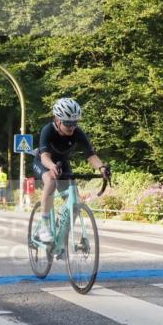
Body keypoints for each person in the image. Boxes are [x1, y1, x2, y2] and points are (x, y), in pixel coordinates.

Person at [33, 97, 109, 242]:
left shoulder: (77, 132)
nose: (72, 127)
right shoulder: (48, 130)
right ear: (58, 120)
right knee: (50, 179)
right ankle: (44, 225)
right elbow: (44, 157)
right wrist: (52, 166)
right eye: (68, 123)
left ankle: (62, 239)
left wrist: (101, 167)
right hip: (44, 162)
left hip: (63, 163)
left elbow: (91, 155)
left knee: (74, 204)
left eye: (75, 123)